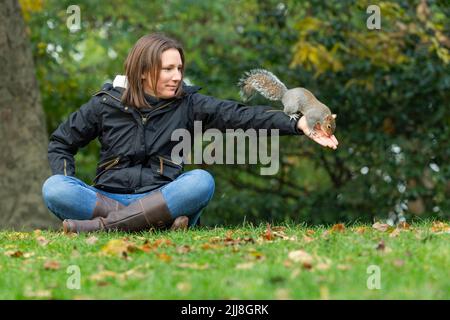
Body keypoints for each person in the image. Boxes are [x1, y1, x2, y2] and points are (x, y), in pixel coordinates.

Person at [41, 33, 338, 234]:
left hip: (164, 197)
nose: (178, 76)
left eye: (180, 68)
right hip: (107, 198)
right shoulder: (105, 104)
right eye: (168, 69)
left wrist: (296, 124)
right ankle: (151, 227)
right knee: (55, 188)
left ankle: (105, 228)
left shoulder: (190, 103)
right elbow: (61, 143)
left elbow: (240, 116)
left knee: (199, 182)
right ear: (143, 71)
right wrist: (66, 176)